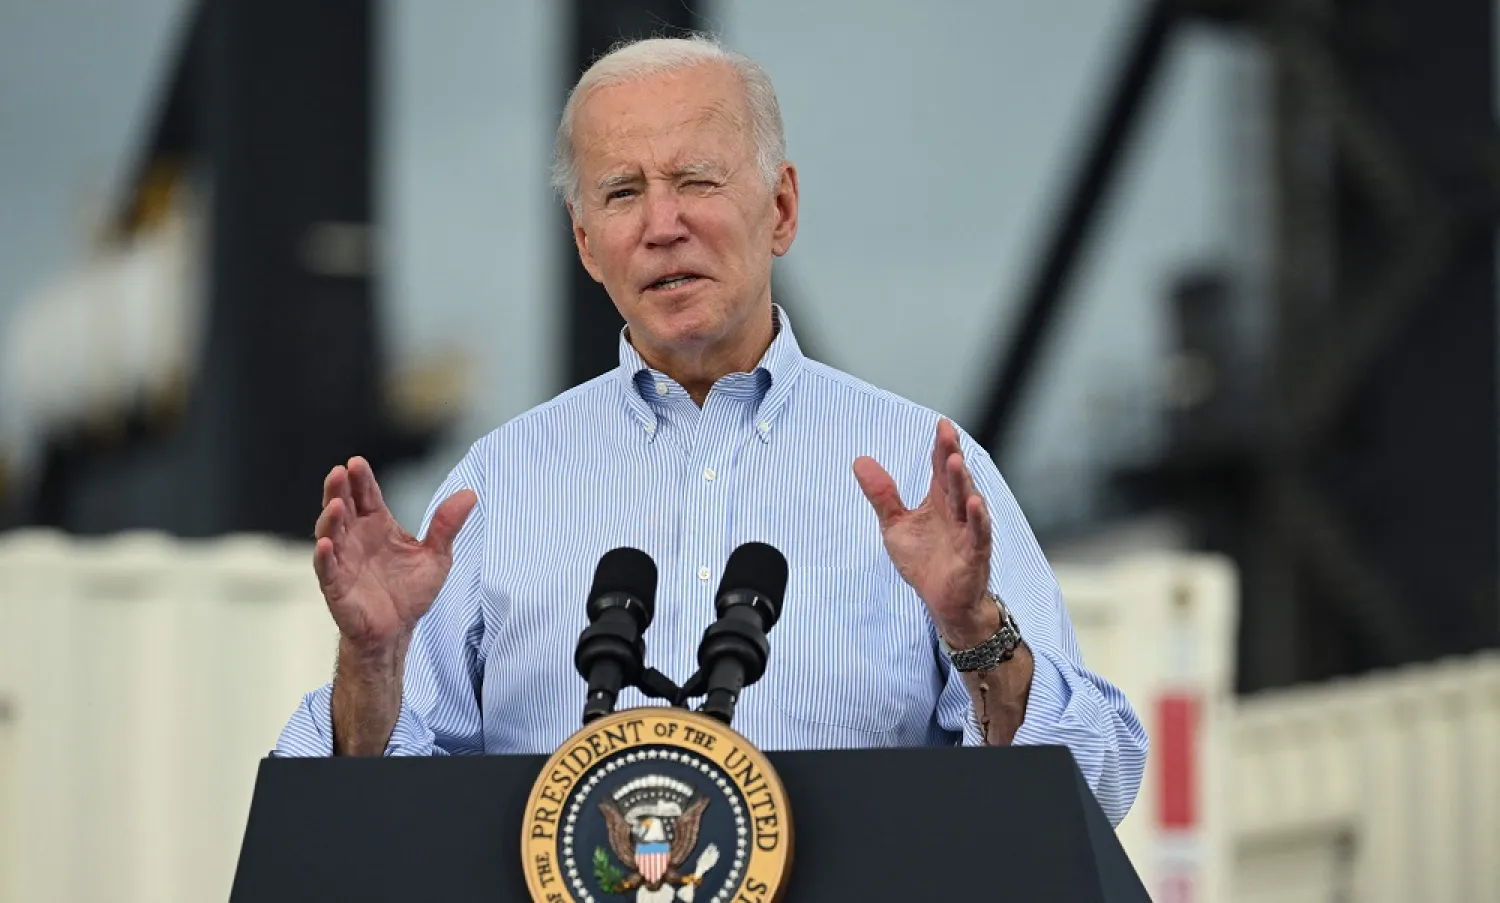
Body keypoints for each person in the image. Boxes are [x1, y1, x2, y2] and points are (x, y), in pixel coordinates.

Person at [275, 34, 1147, 826]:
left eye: (696, 180)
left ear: (781, 206)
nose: (663, 225)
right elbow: (346, 809)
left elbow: (1095, 784)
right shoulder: (496, 485)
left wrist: (974, 629)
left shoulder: (927, 472)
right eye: (623, 193)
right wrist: (375, 660)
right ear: (586, 243)